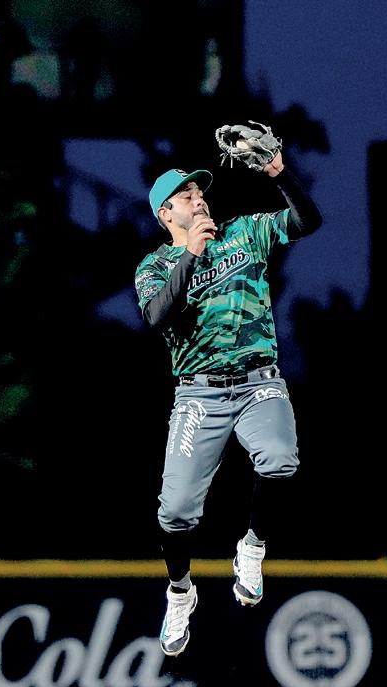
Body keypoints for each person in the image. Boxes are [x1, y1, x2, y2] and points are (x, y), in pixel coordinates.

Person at [134, 147, 322, 656]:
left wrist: (279, 173)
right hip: (199, 392)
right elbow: (155, 317)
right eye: (186, 197)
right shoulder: (156, 265)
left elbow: (308, 220)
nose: (199, 200)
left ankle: (252, 547)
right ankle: (180, 592)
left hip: (258, 381)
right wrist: (191, 254)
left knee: (280, 460)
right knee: (175, 512)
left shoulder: (245, 232)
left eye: (199, 192)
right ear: (165, 214)